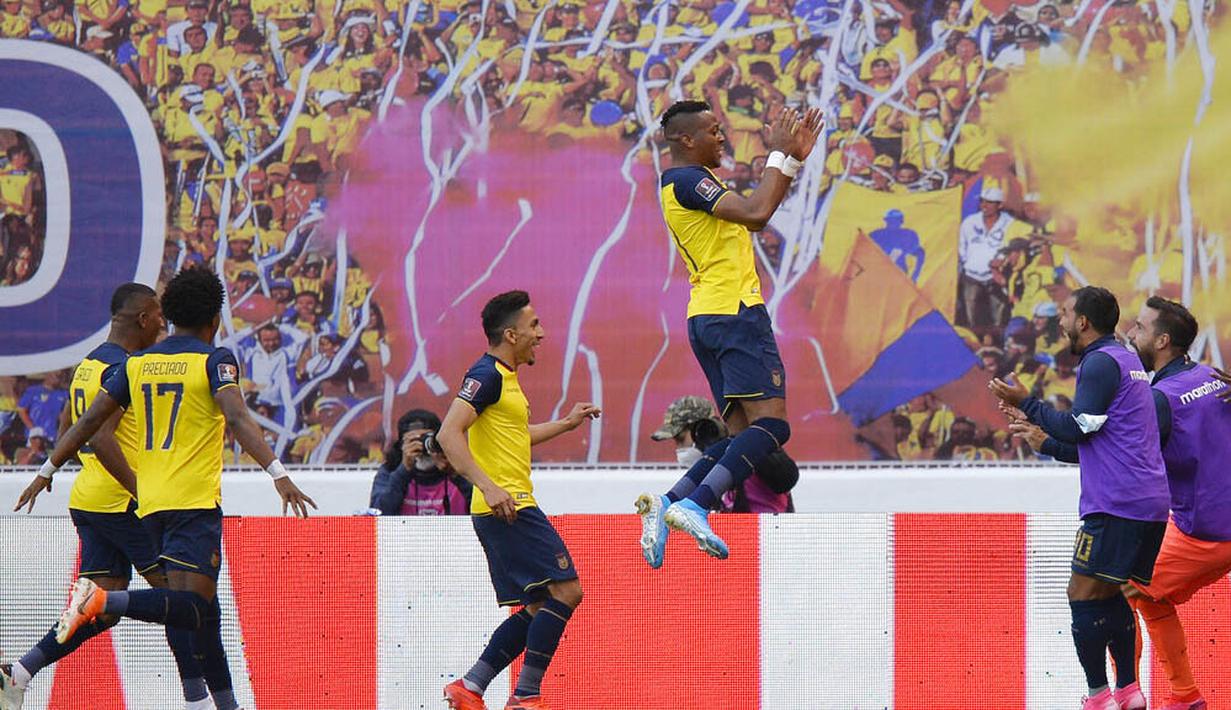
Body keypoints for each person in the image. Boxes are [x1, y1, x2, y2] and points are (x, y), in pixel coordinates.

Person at [18, 266, 316, 710]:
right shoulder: (215, 360)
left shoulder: (133, 364)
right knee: (192, 608)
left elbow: (87, 422)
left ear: (170, 315)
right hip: (188, 502)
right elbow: (236, 417)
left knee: (200, 608)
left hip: (147, 503)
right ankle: (102, 600)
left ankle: (220, 703)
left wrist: (47, 469)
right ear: (214, 319)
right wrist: (278, 473)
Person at [1, 283, 219, 710]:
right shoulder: (125, 367)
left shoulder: (90, 364)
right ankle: (198, 700)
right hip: (124, 502)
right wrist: (145, 493)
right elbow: (100, 436)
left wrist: (49, 471)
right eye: (157, 315)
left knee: (104, 606)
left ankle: (19, 672)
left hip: (90, 499)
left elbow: (70, 423)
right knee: (182, 601)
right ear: (143, 318)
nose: (162, 323)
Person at [636, 100, 823, 567]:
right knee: (772, 427)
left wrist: (792, 160)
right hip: (734, 314)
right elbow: (758, 213)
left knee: (739, 439)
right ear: (686, 140)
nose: (723, 138)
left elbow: (754, 211)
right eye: (714, 131)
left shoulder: (688, 182)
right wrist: (780, 155)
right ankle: (696, 505)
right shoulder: (685, 179)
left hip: (710, 316)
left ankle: (670, 501)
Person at [1017, 298, 1228, 710]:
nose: (1130, 335)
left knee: (1122, 587)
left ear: (1163, 341)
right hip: (1213, 523)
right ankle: (1180, 696)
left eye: (1140, 328)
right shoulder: (1214, 377)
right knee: (1146, 593)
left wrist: (1047, 444)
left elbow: (1110, 448)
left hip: (1207, 532)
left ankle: (1132, 694)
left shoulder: (1160, 399)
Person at [990, 286, 1169, 710]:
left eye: (1066, 313)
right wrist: (1042, 441)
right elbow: (1094, 444)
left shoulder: (1100, 362)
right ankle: (1128, 691)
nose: (1060, 319)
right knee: (1111, 592)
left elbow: (1078, 427)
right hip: (1146, 502)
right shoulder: (1125, 360)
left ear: (1083, 322)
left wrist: (1029, 404)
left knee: (1081, 594)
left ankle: (1097, 696)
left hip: (1117, 505)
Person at [438, 290, 600, 710]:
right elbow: (447, 434)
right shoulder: (486, 374)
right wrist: (488, 487)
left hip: (506, 508)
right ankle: (526, 696)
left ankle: (471, 686)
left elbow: (515, 438)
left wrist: (566, 424)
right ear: (511, 334)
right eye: (534, 326)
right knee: (568, 590)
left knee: (540, 604)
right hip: (508, 508)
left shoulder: (506, 380)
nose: (541, 334)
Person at [369, 408, 472, 516]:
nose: (421, 447)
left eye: (426, 440)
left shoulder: (462, 467)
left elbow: (482, 508)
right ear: (401, 445)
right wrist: (403, 471)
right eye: (413, 441)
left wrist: (455, 474)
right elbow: (378, 514)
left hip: (456, 532)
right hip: (405, 532)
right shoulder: (389, 471)